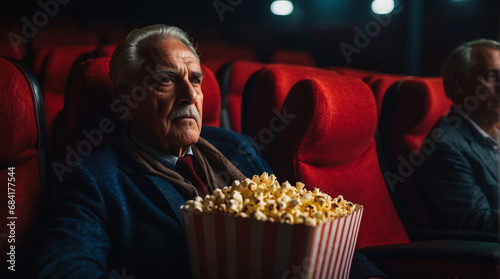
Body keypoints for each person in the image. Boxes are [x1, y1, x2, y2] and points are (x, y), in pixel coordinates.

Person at [34, 24, 387, 278]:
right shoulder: (96, 177)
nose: (189, 95)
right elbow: (62, 268)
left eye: (196, 79)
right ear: (126, 100)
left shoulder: (238, 147)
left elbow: (304, 231)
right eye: (166, 80)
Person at [418, 39, 499, 233]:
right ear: (460, 83)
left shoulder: (494, 130)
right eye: (492, 76)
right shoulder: (445, 145)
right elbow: (479, 222)